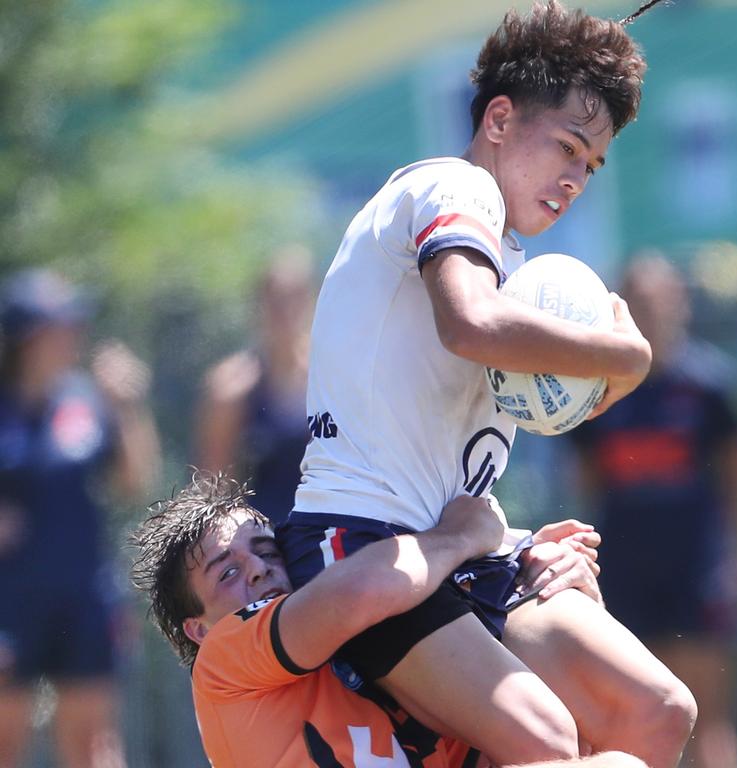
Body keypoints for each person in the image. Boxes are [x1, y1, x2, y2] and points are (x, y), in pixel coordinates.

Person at [276, 2, 696, 767]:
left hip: (467, 551)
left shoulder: (509, 260)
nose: (575, 179)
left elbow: (523, 393)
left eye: (591, 164)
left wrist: (599, 384)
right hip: (364, 546)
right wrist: (621, 357)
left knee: (655, 712)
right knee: (546, 741)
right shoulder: (453, 188)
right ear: (497, 119)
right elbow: (469, 326)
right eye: (566, 146)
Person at [129, 470, 627, 768]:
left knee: (640, 724)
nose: (259, 568)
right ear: (198, 627)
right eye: (228, 572)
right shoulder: (222, 660)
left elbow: (560, 731)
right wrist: (467, 537)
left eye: (265, 550)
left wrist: (546, 579)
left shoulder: (369, 654)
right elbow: (359, 589)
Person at [571, 254, 737, 768]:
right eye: (636, 300)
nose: (649, 310)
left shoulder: (711, 385)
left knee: (707, 721)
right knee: (625, 718)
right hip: (623, 567)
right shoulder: (598, 388)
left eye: (658, 299)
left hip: (697, 567)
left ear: (680, 304)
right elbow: (588, 477)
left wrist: (736, 554)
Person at [0, 268, 161, 768]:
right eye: (64, 324)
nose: (77, 334)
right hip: (9, 596)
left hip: (83, 590)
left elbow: (136, 482)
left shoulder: (85, 400)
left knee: (93, 742)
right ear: (30, 336)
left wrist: (128, 408)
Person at [195, 246, 315, 525]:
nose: (285, 311)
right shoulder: (230, 389)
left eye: (294, 298)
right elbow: (213, 490)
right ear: (258, 304)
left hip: (322, 534)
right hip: (261, 543)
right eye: (275, 299)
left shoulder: (331, 376)